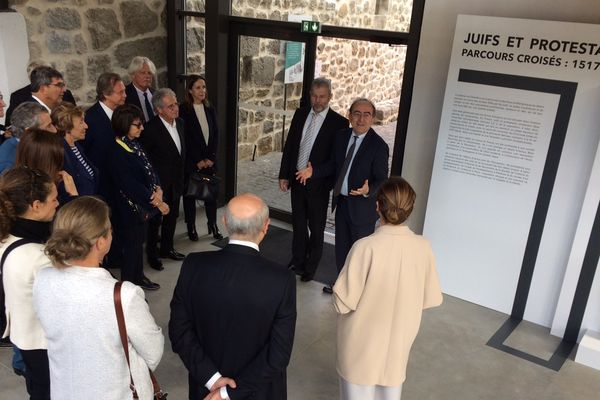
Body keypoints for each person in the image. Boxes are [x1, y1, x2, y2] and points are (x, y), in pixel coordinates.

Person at [34, 196, 164, 400]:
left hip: (65, 392)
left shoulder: (42, 279)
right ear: (100, 242)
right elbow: (153, 353)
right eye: (109, 228)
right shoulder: (123, 295)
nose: (112, 232)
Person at [169, 193, 297, 400]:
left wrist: (212, 380)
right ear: (266, 226)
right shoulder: (282, 280)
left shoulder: (193, 265)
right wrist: (228, 393)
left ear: (225, 222)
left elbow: (179, 331)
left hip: (206, 391)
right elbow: (278, 355)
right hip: (258, 393)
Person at [332, 177, 443, 400]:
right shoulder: (423, 246)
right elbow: (431, 298)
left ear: (377, 206)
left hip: (361, 345)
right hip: (398, 344)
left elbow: (342, 303)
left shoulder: (365, 247)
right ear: (410, 209)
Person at [305, 98, 389, 294]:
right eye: (357, 114)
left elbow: (382, 179)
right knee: (341, 249)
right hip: (342, 203)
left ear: (373, 118)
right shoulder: (341, 137)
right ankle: (342, 286)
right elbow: (334, 166)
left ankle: (358, 292)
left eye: (366, 114)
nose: (361, 119)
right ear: (349, 116)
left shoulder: (379, 146)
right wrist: (313, 172)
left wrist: (369, 190)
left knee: (359, 254)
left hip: (363, 210)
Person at [278, 77, 349, 281]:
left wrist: (314, 171)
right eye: (314, 96)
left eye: (322, 97)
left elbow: (336, 161)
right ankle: (297, 260)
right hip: (297, 180)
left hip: (318, 185)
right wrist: (285, 175)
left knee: (316, 229)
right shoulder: (300, 114)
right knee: (298, 224)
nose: (317, 101)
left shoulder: (340, 123)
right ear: (309, 94)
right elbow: (291, 145)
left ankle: (311, 266)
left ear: (330, 97)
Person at [0, 166, 59, 400]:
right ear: (36, 205)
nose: (58, 202)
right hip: (43, 343)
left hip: (23, 336)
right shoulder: (38, 257)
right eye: (54, 198)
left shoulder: (6, 236)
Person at [107, 104, 168, 290]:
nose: (142, 128)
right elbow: (130, 185)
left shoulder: (134, 143)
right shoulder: (117, 151)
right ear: (125, 125)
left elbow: (149, 167)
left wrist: (158, 187)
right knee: (131, 249)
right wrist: (158, 201)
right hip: (129, 210)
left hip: (143, 205)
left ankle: (138, 277)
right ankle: (128, 287)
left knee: (137, 246)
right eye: (137, 125)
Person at [139, 88, 186, 265]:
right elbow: (146, 162)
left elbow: (181, 153)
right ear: (159, 110)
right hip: (159, 185)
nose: (175, 108)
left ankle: (167, 248)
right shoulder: (150, 129)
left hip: (176, 182)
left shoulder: (181, 123)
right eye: (170, 106)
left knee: (172, 217)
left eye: (176, 104)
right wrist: (153, 186)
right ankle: (152, 255)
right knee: (155, 221)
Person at [180, 74, 223, 241]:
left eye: (203, 87)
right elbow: (185, 139)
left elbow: (216, 135)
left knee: (210, 195)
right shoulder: (183, 110)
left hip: (209, 161)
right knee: (190, 195)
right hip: (193, 162)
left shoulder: (210, 108)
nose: (202, 90)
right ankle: (191, 226)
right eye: (198, 87)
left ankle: (212, 224)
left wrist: (211, 158)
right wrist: (197, 160)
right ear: (190, 90)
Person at [82, 72, 127, 200]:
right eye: (120, 92)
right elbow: (85, 153)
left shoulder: (123, 113)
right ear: (106, 94)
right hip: (103, 186)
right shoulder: (90, 119)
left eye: (124, 91)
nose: (125, 95)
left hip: (122, 182)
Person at [51, 103, 98, 203]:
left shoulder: (77, 147)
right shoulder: (60, 153)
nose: (86, 126)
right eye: (81, 122)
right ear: (67, 127)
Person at [4, 61, 76, 127]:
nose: (64, 90)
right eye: (59, 85)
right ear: (43, 88)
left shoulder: (62, 97)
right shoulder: (28, 113)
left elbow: (75, 119)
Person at [15, 128, 79, 201]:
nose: (60, 167)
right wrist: (73, 195)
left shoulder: (19, 185)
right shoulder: (43, 196)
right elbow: (75, 212)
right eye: (57, 163)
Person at [0, 102, 57, 174]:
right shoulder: (8, 164)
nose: (54, 130)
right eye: (48, 126)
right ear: (29, 132)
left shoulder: (34, 147)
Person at [125, 56, 157, 122]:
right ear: (133, 75)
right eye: (143, 73)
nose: (147, 76)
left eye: (149, 73)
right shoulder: (125, 95)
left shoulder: (156, 94)